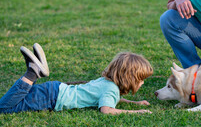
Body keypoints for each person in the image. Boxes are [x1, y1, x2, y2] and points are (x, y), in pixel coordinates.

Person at [0, 43, 153, 114]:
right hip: (52, 99)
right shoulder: (111, 89)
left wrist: (134, 102)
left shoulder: (108, 83)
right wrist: (137, 111)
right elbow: (107, 110)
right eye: (141, 79)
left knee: (16, 98)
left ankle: (33, 71)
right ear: (129, 78)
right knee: (4, 108)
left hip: (54, 90)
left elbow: (111, 99)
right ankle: (32, 72)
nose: (143, 82)